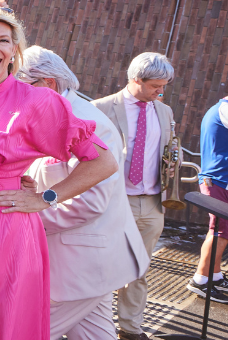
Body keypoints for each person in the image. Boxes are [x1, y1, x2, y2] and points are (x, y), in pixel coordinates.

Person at [0, 7, 117, 340]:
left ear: (13, 51)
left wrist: (45, 197)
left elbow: (103, 162)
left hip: (5, 225)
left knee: (0, 322)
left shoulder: (38, 100)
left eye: (3, 41)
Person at [18, 46, 149, 340]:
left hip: (80, 265)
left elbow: (89, 202)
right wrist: (33, 190)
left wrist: (26, 217)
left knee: (24, 332)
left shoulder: (90, 123)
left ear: (47, 84)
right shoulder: (52, 114)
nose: (14, 96)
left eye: (19, 87)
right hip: (86, 266)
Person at [92, 52, 176, 340]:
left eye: (164, 86)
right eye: (155, 86)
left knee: (139, 267)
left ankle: (130, 328)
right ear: (135, 79)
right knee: (100, 266)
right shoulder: (100, 108)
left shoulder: (164, 111)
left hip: (152, 202)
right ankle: (94, 326)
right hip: (112, 201)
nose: (160, 92)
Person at [187, 76, 228, 302]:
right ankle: (200, 280)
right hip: (221, 182)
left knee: (224, 233)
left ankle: (214, 276)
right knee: (218, 233)